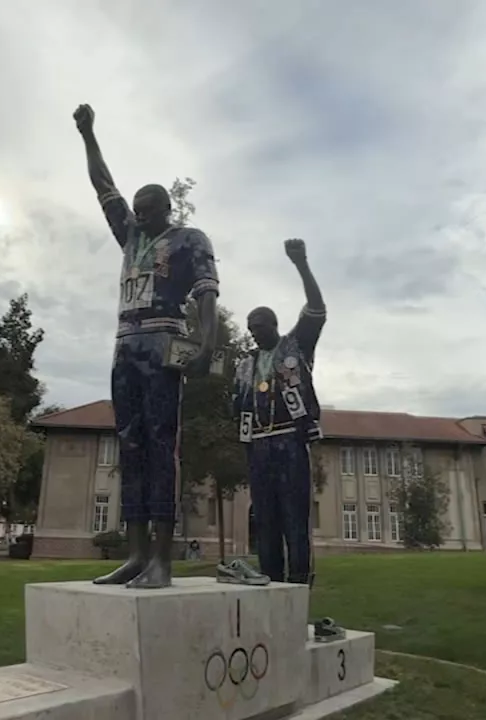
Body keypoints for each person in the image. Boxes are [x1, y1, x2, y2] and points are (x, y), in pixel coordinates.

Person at [73, 103, 220, 590]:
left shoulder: (188, 239)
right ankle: (135, 554)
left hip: (161, 341)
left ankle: (162, 557)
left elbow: (206, 293)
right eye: (136, 208)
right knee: (130, 444)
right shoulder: (131, 236)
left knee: (162, 444)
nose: (138, 213)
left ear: (166, 209)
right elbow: (103, 186)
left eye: (147, 207)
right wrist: (88, 135)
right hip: (124, 345)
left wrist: (205, 343)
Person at [219, 239, 326, 592]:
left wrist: (301, 263)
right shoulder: (245, 364)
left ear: (274, 324)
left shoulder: (296, 346)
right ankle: (270, 581)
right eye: (250, 328)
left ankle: (298, 584)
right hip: (259, 447)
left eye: (259, 326)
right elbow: (237, 404)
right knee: (264, 517)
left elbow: (317, 308)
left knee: (295, 516)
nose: (253, 332)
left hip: (290, 441)